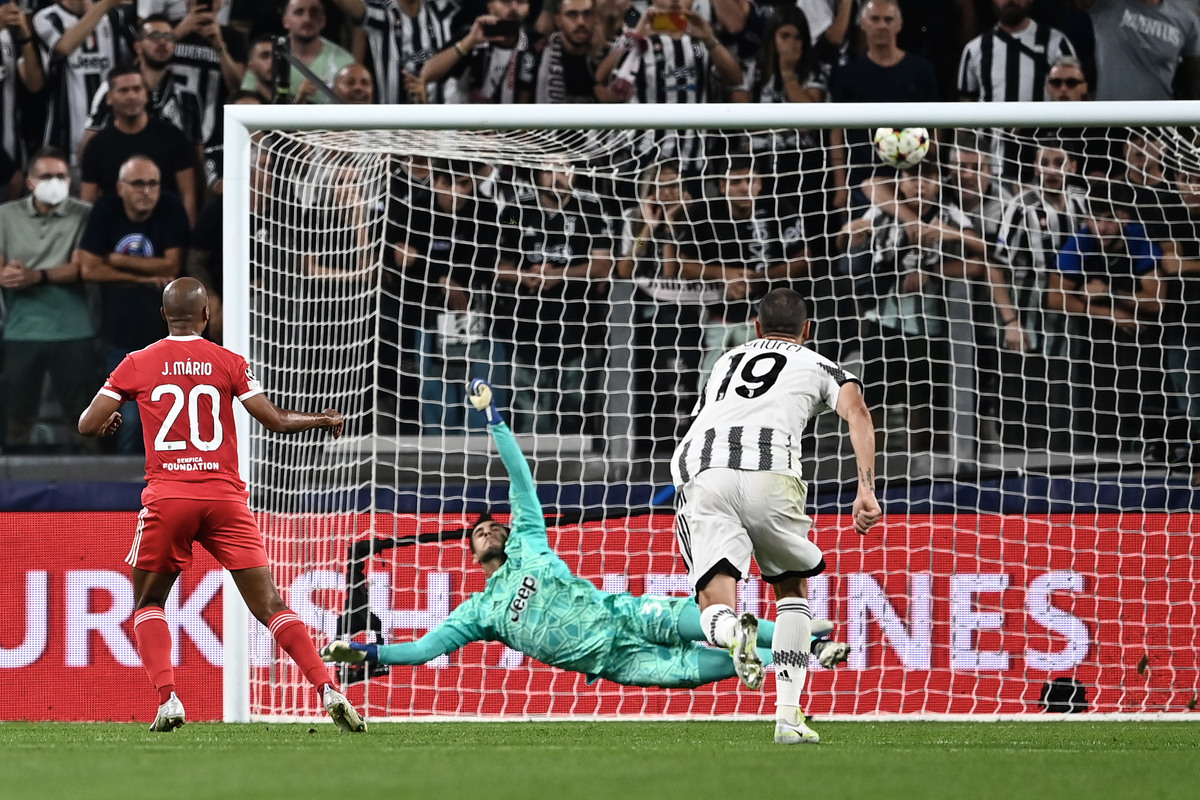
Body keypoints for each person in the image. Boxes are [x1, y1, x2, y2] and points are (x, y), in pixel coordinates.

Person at [320, 377, 851, 689]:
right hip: (614, 661)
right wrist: (367, 655)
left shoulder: (528, 542)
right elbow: (422, 649)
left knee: (713, 624)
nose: (487, 530)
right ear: (474, 554)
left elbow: (520, 479)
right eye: (478, 532)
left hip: (622, 613)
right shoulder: (479, 613)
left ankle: (800, 639)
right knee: (704, 668)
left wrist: (495, 420)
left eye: (492, 524)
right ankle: (807, 649)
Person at [76, 277, 366, 734]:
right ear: (206, 315)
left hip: (169, 497)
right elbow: (275, 420)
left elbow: (87, 424)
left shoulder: (136, 362)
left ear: (163, 315)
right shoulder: (229, 361)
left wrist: (111, 419)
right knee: (270, 604)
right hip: (225, 498)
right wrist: (321, 418)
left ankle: (168, 700)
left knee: (149, 602)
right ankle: (327, 688)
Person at [670, 287, 881, 744]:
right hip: (772, 471)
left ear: (756, 327)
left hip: (705, 471)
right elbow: (858, 413)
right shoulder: (821, 365)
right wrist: (865, 487)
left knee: (714, 601)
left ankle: (733, 631)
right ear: (808, 329)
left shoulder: (726, 361)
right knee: (791, 590)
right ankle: (787, 718)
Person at [79, 155, 190, 454]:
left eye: (153, 183)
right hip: (116, 333)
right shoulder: (106, 210)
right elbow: (88, 269)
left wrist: (116, 260)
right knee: (128, 420)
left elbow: (172, 265)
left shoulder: (170, 207)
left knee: (160, 417)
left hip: (163, 338)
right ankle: (124, 475)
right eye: (138, 183)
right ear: (120, 187)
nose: (147, 191)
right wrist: (146, 277)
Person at [0, 147, 94, 452]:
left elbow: (82, 268)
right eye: (46, 176)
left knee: (83, 418)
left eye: (61, 176)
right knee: (16, 417)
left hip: (74, 329)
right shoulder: (6, 215)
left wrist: (35, 276)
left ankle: (89, 476)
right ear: (30, 181)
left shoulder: (85, 213)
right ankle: (13, 476)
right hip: (21, 330)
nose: (55, 182)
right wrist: (7, 275)